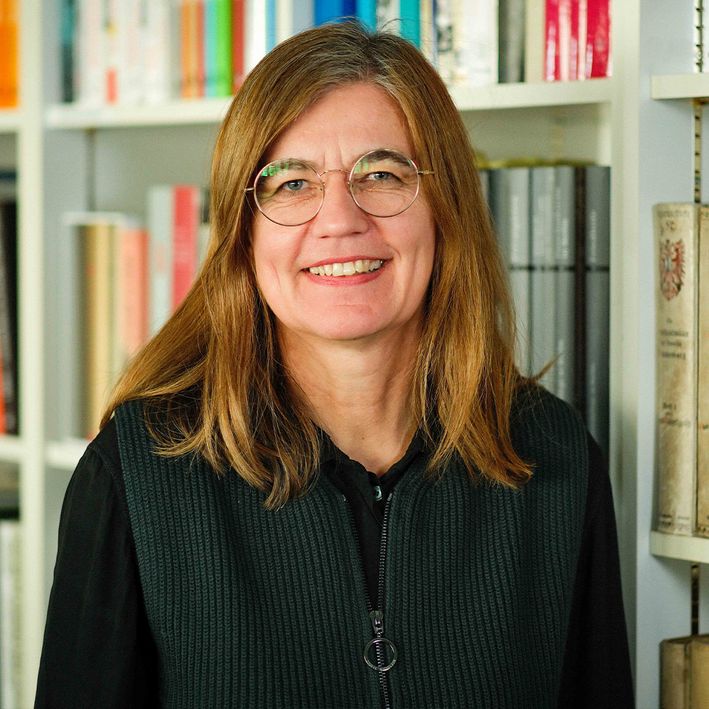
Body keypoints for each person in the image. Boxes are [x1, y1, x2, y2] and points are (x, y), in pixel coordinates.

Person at [35, 19, 633, 709]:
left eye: (380, 174)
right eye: (291, 184)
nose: (339, 219)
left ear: (446, 209)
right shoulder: (135, 472)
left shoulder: (556, 459)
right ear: (242, 230)